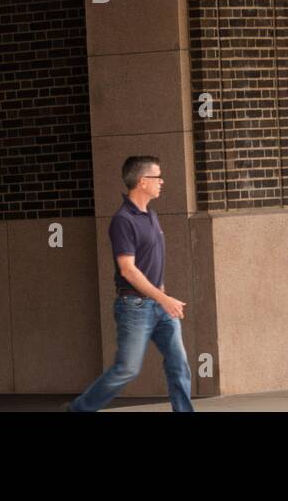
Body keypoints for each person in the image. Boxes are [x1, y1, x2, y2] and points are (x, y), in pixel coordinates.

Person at [68, 156, 193, 412]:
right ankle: (79, 409)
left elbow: (152, 260)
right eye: (157, 177)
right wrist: (162, 298)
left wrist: (163, 294)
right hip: (134, 306)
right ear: (142, 181)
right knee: (127, 369)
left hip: (160, 305)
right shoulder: (123, 220)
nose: (162, 181)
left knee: (178, 363)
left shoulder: (152, 216)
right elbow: (128, 270)